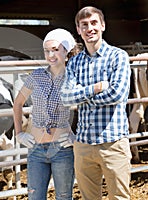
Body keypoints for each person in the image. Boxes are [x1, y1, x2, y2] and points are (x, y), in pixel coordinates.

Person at [60, 6, 132, 200]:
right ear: (78, 29)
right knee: (88, 197)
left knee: (119, 197)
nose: (89, 28)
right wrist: (95, 88)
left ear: (103, 25)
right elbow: (66, 98)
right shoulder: (74, 63)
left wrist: (81, 97)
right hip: (83, 144)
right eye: (84, 25)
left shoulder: (118, 56)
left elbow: (117, 95)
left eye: (93, 23)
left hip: (113, 142)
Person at [13, 28, 78, 200]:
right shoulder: (36, 76)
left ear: (67, 50)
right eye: (47, 50)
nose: (50, 55)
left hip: (62, 150)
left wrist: (77, 137)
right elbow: (18, 103)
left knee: (64, 197)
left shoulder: (74, 78)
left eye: (56, 49)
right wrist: (19, 133)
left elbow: (87, 109)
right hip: (36, 149)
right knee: (35, 197)